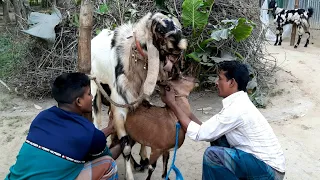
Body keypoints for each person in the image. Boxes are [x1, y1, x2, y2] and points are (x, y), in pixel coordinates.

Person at [161, 61, 286, 180]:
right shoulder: (238, 102)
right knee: (217, 139)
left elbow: (200, 134)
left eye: (220, 79)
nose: (216, 82)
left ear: (232, 82)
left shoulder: (237, 109)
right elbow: (207, 130)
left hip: (270, 172)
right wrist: (185, 111)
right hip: (261, 164)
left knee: (213, 155)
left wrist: (172, 104)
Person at [6, 72, 123, 180]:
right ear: (79, 102)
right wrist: (125, 141)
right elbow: (110, 154)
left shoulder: (42, 117)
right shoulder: (88, 131)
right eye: (88, 94)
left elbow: (74, 139)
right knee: (109, 163)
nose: (92, 97)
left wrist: (109, 129)